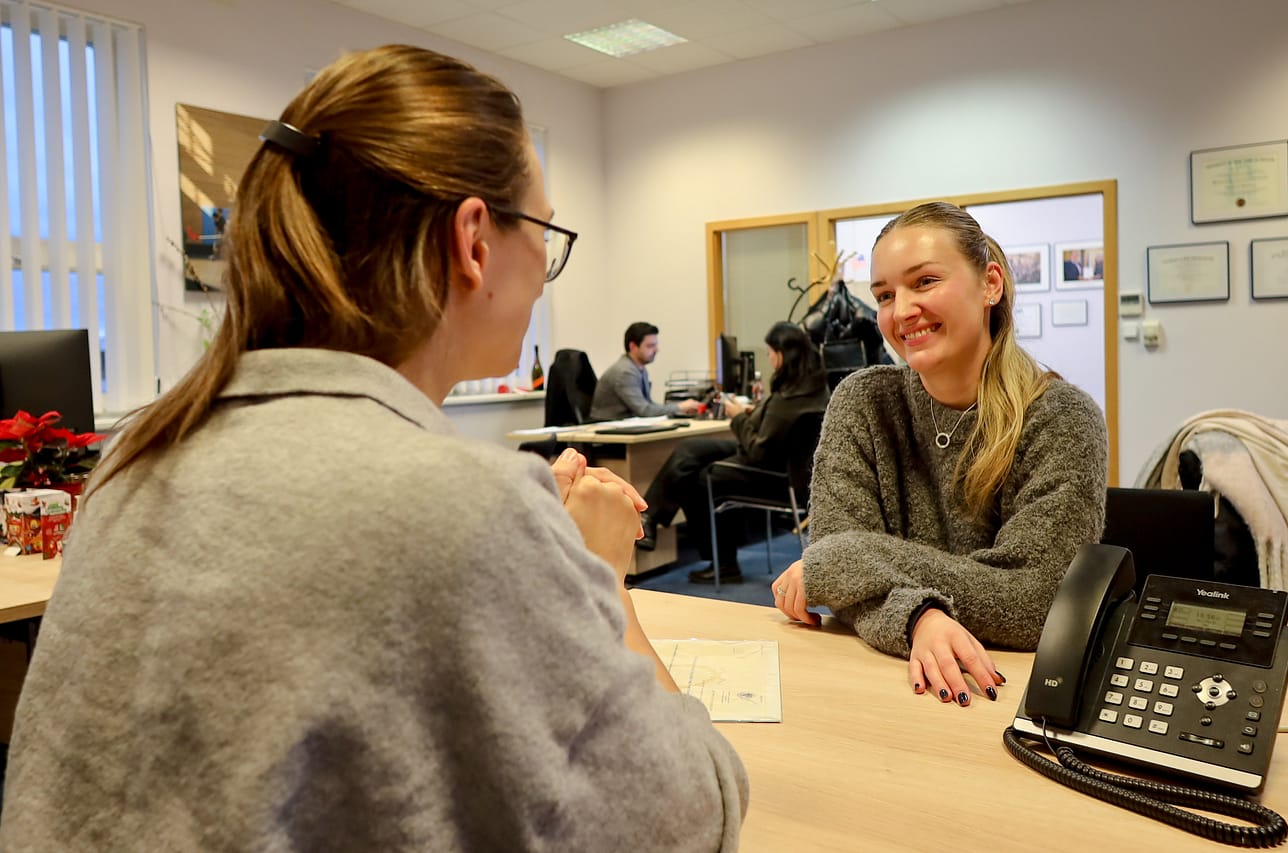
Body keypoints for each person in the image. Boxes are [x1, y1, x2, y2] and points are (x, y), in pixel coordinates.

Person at [0, 45, 747, 851]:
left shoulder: (135, 461)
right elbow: (689, 816)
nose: (544, 268)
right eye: (544, 230)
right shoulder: (464, 503)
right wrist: (599, 574)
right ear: (473, 239)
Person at [771, 201, 1107, 709]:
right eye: (884, 294)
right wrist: (918, 617)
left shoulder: (1062, 418)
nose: (901, 311)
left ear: (990, 284)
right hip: (880, 682)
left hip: (1005, 695)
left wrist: (857, 557)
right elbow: (839, 587)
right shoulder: (862, 402)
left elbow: (1037, 602)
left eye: (924, 282)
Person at [637, 322, 829, 581]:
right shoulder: (809, 389)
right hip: (784, 470)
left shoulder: (790, 398)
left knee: (700, 477)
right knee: (690, 451)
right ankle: (650, 518)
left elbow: (757, 450)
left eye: (771, 352)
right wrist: (753, 413)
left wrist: (738, 417)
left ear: (782, 354)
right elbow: (775, 428)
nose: (769, 358)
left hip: (773, 474)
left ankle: (721, 562)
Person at [589, 321, 701, 420]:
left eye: (655, 345)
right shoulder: (625, 371)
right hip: (608, 435)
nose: (656, 350)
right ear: (633, 346)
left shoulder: (639, 368)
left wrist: (678, 410)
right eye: (650, 346)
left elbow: (648, 405)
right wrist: (680, 407)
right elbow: (644, 410)